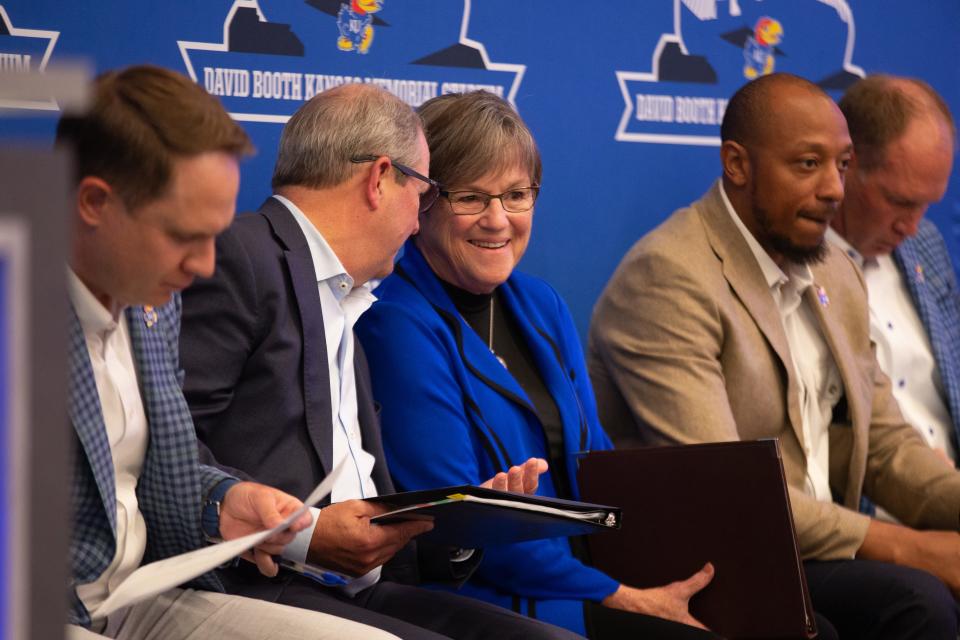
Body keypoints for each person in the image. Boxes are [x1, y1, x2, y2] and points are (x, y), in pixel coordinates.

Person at [178, 83, 581, 640]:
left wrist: (471, 522)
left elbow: (376, 528)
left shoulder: (351, 296)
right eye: (425, 194)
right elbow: (169, 451)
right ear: (381, 179)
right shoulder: (241, 258)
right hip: (261, 585)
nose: (418, 223)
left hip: (364, 590)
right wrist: (305, 533)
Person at [588, 72, 960, 639]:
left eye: (842, 163)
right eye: (808, 164)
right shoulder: (669, 276)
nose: (834, 188)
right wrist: (911, 547)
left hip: (814, 548)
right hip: (716, 556)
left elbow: (885, 444)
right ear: (737, 164)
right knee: (917, 598)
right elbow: (732, 493)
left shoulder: (837, 268)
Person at [354, 91, 718, 639]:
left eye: (517, 195)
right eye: (472, 197)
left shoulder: (539, 303)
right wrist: (624, 597)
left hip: (585, 580)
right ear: (423, 201)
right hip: (484, 598)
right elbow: (455, 520)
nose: (498, 220)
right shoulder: (395, 320)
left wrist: (663, 564)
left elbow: (597, 464)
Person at [60, 65, 398, 639]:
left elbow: (152, 476)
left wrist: (225, 501)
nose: (204, 266)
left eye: (214, 236)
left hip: (143, 596)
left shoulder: (152, 304)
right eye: (183, 235)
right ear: (94, 203)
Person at [826, 75, 959, 472]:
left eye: (927, 205)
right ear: (845, 166)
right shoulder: (791, 266)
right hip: (875, 510)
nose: (912, 226)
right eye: (900, 201)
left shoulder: (925, 245)